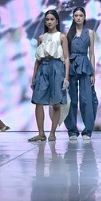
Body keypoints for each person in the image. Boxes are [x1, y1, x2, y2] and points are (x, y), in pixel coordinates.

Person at [29, 10, 70, 142]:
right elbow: (37, 59)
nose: (49, 21)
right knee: (38, 101)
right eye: (47, 19)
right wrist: (34, 76)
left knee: (56, 103)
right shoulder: (41, 38)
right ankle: (41, 133)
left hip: (57, 68)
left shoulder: (62, 37)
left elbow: (66, 57)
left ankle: (52, 133)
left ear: (57, 21)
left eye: (52, 19)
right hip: (43, 68)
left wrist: (66, 77)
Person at [64, 7, 96, 141]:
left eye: (80, 15)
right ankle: (72, 131)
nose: (78, 17)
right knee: (71, 100)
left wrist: (93, 73)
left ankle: (87, 131)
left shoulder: (90, 32)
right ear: (73, 17)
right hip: (71, 65)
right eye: (76, 15)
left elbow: (92, 53)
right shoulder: (67, 32)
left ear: (84, 17)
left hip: (85, 66)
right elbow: (65, 54)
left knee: (86, 99)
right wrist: (65, 73)